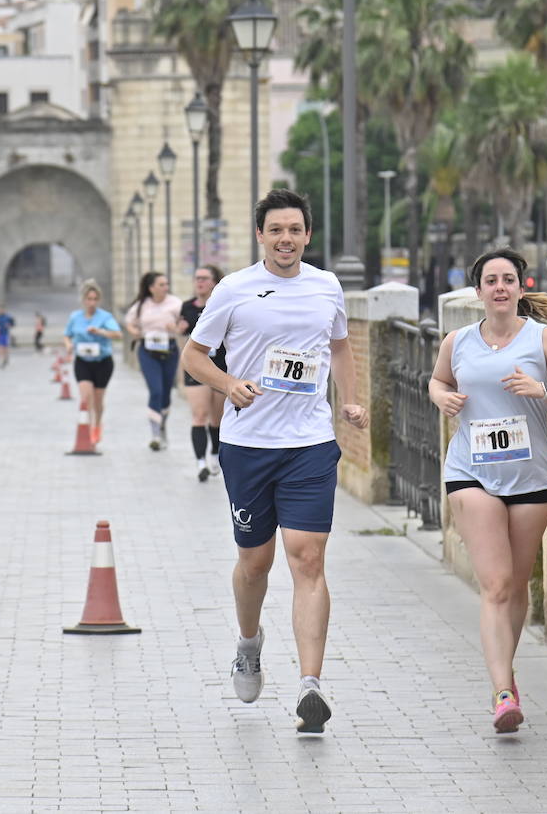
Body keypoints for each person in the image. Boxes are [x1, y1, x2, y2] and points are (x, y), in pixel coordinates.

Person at [182, 188, 368, 734]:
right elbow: (195, 356)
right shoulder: (234, 290)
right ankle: (248, 643)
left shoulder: (326, 286)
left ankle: (310, 684)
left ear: (308, 235)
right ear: (260, 235)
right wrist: (228, 384)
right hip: (247, 447)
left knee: (306, 558)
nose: (286, 239)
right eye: (276, 230)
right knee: (255, 563)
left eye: (295, 230)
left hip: (309, 442)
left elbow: (339, 347)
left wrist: (350, 399)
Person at [427, 248, 547, 734]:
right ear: (478, 291)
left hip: (531, 477)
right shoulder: (457, 341)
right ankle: (502, 692)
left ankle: (505, 671)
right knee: (496, 584)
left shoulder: (544, 340)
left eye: (508, 279)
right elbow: (436, 380)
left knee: (517, 585)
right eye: (491, 280)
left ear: (521, 287)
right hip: (471, 470)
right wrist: (442, 396)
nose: (500, 287)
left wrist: (542, 392)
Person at [178, 264, 226, 482]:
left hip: (220, 367)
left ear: (215, 282)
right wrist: (178, 327)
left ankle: (215, 453)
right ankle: (200, 463)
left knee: (217, 419)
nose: (200, 282)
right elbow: (181, 330)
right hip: (196, 366)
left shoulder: (224, 305)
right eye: (197, 278)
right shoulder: (187, 307)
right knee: (199, 416)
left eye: (205, 278)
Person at [124, 271, 182, 451]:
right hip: (148, 351)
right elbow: (129, 322)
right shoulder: (142, 305)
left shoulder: (175, 303)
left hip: (169, 350)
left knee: (166, 393)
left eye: (166, 284)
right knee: (155, 390)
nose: (166, 288)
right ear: (151, 288)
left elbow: (185, 324)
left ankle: (162, 425)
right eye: (161, 284)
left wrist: (176, 328)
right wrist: (135, 332)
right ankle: (155, 434)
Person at [64, 279, 123, 444]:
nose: (92, 303)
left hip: (102, 361)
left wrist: (100, 332)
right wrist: (69, 346)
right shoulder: (75, 317)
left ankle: (97, 424)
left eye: (95, 299)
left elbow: (118, 335)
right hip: (82, 361)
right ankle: (88, 427)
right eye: (89, 299)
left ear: (99, 300)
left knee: (98, 399)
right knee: (85, 397)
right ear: (83, 300)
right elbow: (67, 335)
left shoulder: (105, 317)